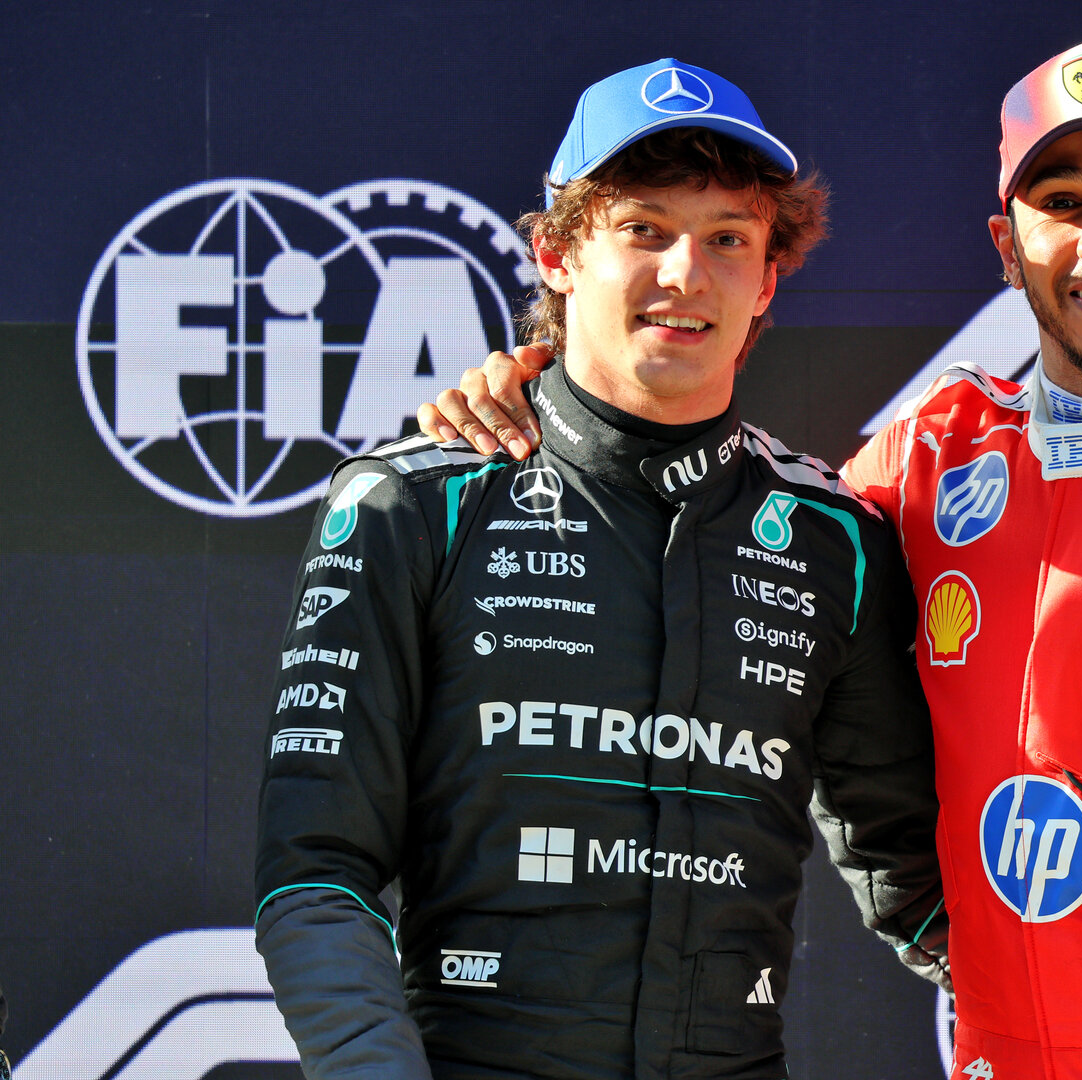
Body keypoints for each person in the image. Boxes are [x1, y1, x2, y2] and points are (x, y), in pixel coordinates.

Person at [423, 40, 1082, 1080]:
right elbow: (731, 517)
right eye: (1060, 203)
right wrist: (546, 392)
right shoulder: (935, 457)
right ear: (1005, 246)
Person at [257, 58, 947, 1080]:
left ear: (767, 277)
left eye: (726, 238)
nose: (684, 273)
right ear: (556, 253)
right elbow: (313, 874)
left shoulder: (832, 538)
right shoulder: (414, 504)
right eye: (644, 229)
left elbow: (920, 884)